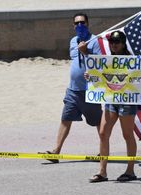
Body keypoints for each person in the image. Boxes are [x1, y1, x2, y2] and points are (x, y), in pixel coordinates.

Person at [38, 13, 102, 163]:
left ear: (88, 23)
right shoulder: (73, 41)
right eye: (77, 23)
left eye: (83, 23)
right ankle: (56, 152)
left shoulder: (95, 41)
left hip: (90, 91)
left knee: (98, 122)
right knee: (65, 119)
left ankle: (103, 151)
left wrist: (86, 52)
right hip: (73, 90)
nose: (80, 25)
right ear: (73, 25)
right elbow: (74, 59)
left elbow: (100, 64)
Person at [89, 31, 141, 182]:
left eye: (117, 42)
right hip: (111, 99)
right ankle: (102, 171)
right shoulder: (108, 59)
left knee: (127, 134)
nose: (114, 44)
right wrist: (91, 76)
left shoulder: (131, 60)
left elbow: (136, 80)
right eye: (112, 42)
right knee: (103, 133)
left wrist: (139, 74)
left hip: (126, 100)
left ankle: (130, 171)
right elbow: (101, 77)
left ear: (123, 43)